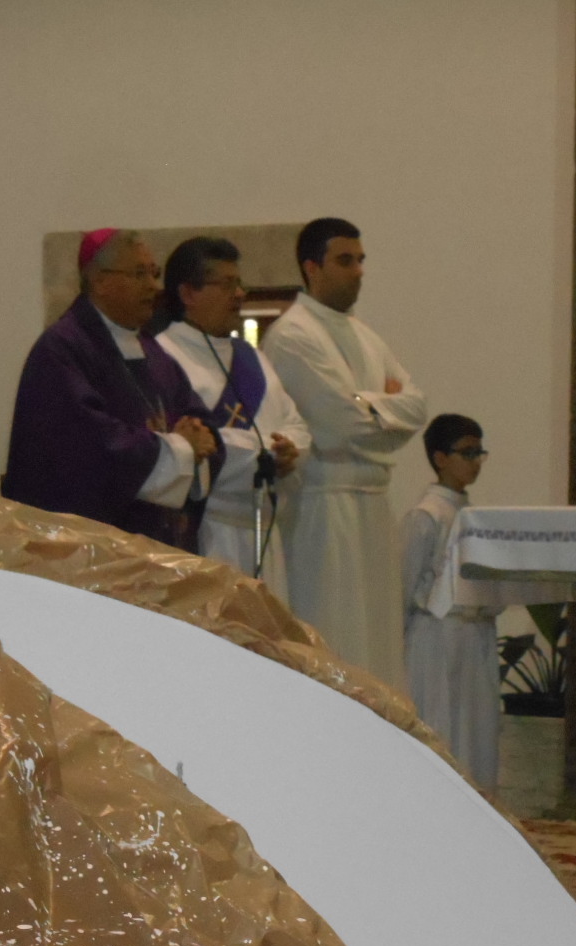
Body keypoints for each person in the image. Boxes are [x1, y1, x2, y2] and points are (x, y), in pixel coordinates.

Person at [262, 217, 426, 689]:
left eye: (360, 260)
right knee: (335, 637)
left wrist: (369, 406)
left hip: (372, 504)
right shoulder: (293, 336)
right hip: (323, 505)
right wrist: (383, 405)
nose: (358, 272)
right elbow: (341, 426)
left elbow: (418, 405)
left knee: (378, 644)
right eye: (345, 261)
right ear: (311, 267)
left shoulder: (366, 336)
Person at [2, 229, 223, 551]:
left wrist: (201, 442)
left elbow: (199, 421)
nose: (154, 286)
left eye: (154, 273)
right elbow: (90, 448)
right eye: (139, 274)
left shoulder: (155, 354)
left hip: (157, 547)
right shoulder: (62, 350)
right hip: (89, 551)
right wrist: (181, 448)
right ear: (100, 281)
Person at [154, 237, 311, 595]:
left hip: (264, 532)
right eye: (226, 284)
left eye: (239, 283)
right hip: (208, 530)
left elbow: (295, 424)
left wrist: (290, 449)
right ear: (188, 293)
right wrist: (264, 454)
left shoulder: (252, 357)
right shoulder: (165, 357)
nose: (239, 294)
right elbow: (194, 442)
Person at [401, 415, 500, 791]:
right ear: (440, 458)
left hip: (474, 635)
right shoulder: (425, 515)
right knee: (441, 725)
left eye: (479, 453)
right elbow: (405, 583)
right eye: (467, 452)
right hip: (436, 635)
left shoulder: (472, 515)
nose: (475, 462)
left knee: (476, 728)